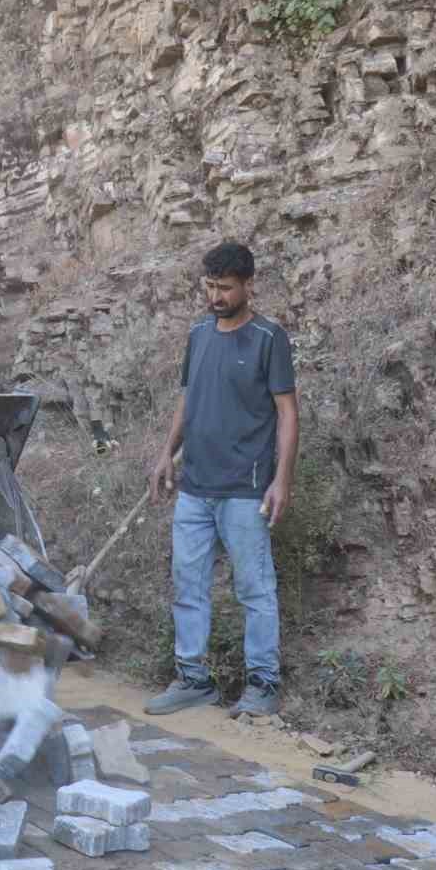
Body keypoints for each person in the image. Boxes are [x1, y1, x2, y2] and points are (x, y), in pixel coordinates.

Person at [145, 241, 299, 718]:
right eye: (210, 286)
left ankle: (263, 686)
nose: (216, 296)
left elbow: (288, 415)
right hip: (195, 487)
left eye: (225, 288)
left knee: (254, 588)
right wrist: (166, 454)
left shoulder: (269, 339)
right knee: (187, 585)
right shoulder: (198, 335)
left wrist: (281, 481)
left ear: (249, 285)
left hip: (245, 488)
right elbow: (188, 399)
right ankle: (194, 680)